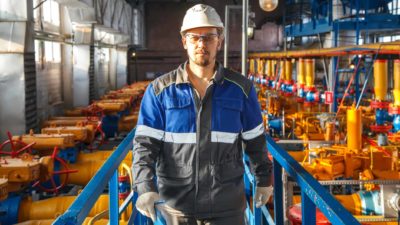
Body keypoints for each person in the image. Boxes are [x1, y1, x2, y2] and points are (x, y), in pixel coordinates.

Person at [132, 4, 273, 225]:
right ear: (184, 41)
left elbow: (255, 140)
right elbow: (145, 145)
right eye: (194, 37)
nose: (201, 43)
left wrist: (264, 179)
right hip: (176, 207)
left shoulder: (241, 89)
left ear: (220, 41)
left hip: (227, 207)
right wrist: (144, 187)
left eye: (209, 37)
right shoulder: (160, 91)